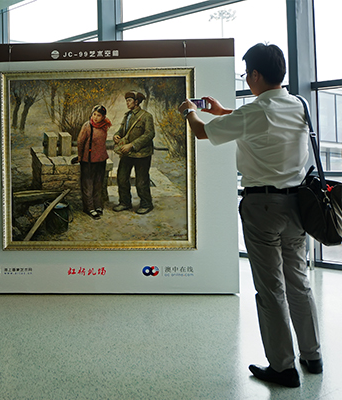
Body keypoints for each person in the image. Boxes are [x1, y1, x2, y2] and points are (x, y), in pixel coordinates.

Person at [178, 43, 322, 388]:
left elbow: (201, 132)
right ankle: (312, 355)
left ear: (256, 74)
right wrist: (221, 111)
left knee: (271, 289)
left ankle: (283, 367)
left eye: (246, 73)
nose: (246, 78)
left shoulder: (256, 111)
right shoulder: (297, 104)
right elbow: (257, 123)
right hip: (297, 206)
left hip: (263, 208)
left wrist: (190, 112)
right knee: (299, 282)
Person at [112, 91, 155, 215]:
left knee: (141, 181)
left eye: (129, 100)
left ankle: (146, 204)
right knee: (121, 178)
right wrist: (116, 135)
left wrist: (132, 145)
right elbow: (122, 130)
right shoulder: (127, 115)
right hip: (127, 153)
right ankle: (125, 203)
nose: (127, 103)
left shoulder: (146, 116)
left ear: (136, 102)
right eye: (126, 100)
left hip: (142, 154)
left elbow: (150, 134)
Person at [77, 105, 112, 219]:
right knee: (88, 185)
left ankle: (98, 206)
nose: (95, 117)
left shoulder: (105, 126)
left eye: (99, 115)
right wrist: (80, 155)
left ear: (103, 117)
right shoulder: (87, 126)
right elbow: (80, 141)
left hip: (100, 160)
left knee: (98, 184)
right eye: (94, 114)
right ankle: (89, 208)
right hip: (88, 160)